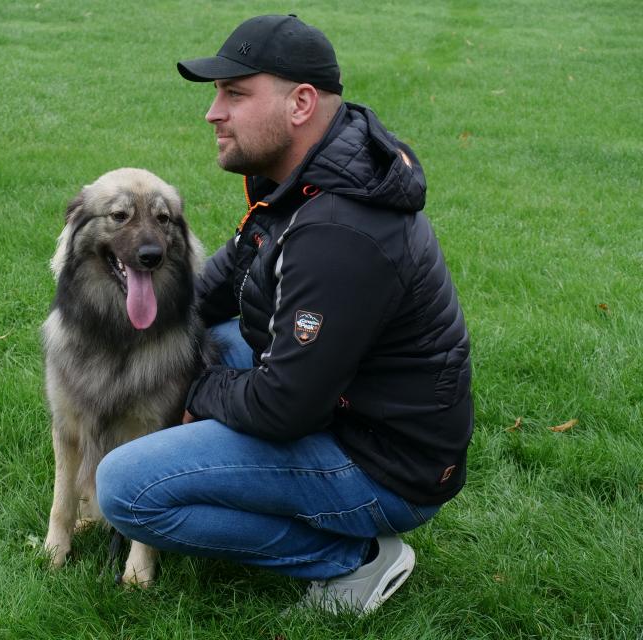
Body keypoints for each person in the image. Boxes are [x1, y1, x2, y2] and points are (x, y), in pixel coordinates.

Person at [96, 14, 473, 614]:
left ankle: (356, 558)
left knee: (125, 488)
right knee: (207, 339)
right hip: (344, 404)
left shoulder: (340, 231)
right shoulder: (302, 179)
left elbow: (283, 408)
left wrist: (194, 388)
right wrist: (125, 330)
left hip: (384, 464)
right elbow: (208, 292)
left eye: (235, 94)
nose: (213, 113)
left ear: (300, 104)